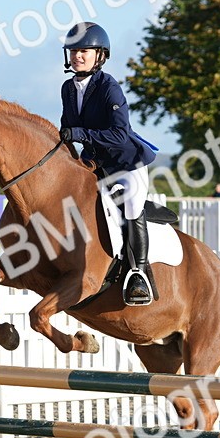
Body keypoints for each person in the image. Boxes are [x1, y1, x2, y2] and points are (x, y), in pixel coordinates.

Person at [58, 21, 159, 306]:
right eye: (73, 51)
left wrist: (79, 134)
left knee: (131, 208)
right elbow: (68, 128)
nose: (77, 56)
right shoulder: (68, 89)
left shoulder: (108, 88)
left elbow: (119, 134)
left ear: (99, 55)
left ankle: (139, 274)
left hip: (127, 163)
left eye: (84, 51)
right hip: (96, 163)